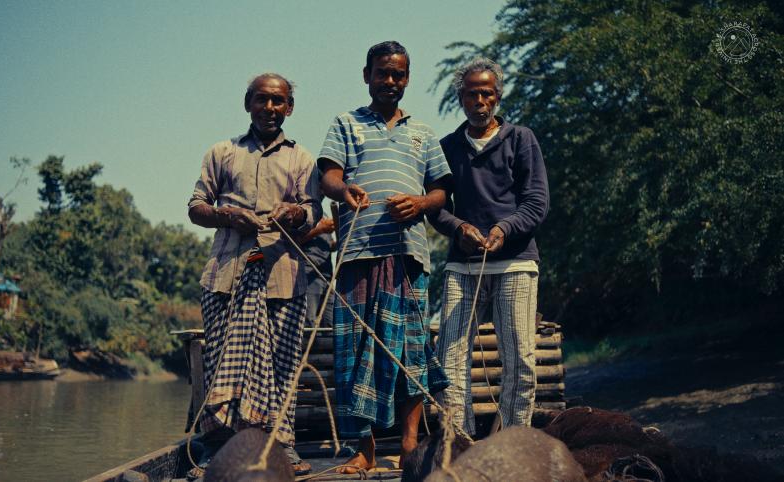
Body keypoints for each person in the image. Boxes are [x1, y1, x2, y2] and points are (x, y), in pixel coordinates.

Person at [318, 40, 452, 473]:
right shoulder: (346, 124)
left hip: (409, 255)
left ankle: (410, 442)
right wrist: (344, 191)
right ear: (367, 76)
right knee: (354, 350)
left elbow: (441, 191)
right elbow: (329, 176)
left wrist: (420, 203)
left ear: (407, 79)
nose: (390, 81)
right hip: (357, 254)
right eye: (382, 73)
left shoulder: (424, 134)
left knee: (411, 349)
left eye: (398, 74)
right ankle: (364, 449)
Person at [187, 73, 321, 476]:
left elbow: (313, 212)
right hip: (226, 275)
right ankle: (219, 447)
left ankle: (282, 446)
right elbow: (195, 206)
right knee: (221, 362)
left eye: (279, 101)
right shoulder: (222, 152)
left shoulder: (302, 158)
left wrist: (294, 213)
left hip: (282, 277)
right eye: (262, 100)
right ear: (248, 104)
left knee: (282, 366)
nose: (270, 108)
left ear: (290, 108)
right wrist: (226, 215)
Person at [429, 57, 549, 435]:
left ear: (497, 97)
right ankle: (458, 443)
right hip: (463, 267)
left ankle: (513, 441)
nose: (479, 101)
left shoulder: (521, 138)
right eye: (471, 94)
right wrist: (459, 227)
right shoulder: (447, 146)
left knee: (521, 361)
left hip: (515, 263)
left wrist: (504, 228)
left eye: (486, 94)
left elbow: (536, 202)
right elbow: (435, 207)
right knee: (449, 359)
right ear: (460, 98)